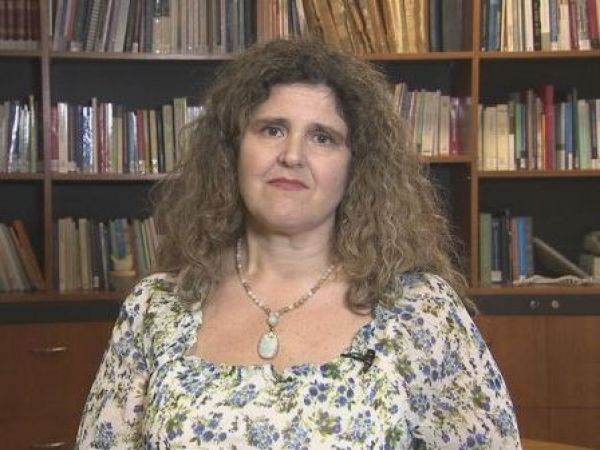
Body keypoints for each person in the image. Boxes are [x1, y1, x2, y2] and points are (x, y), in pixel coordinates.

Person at [76, 38, 521, 449]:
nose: (292, 155)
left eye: (322, 137)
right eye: (272, 129)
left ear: (356, 168)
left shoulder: (423, 312)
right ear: (232, 152)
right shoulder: (155, 308)